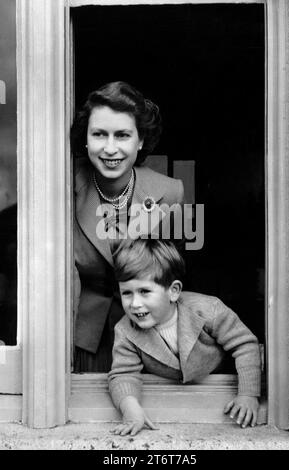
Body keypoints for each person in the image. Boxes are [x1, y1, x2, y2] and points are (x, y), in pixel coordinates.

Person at [71, 81, 184, 372]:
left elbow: (172, 272)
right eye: (99, 134)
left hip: (148, 336)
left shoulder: (170, 193)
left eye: (122, 135)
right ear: (86, 139)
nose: (110, 148)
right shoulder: (66, 183)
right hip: (83, 340)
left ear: (140, 140)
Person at [108, 239, 261, 436]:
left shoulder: (208, 310)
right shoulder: (125, 330)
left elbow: (245, 345)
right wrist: (130, 409)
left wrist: (248, 394)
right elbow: (123, 374)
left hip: (218, 389)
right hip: (173, 399)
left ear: (173, 291)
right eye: (127, 293)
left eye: (144, 291)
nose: (135, 303)